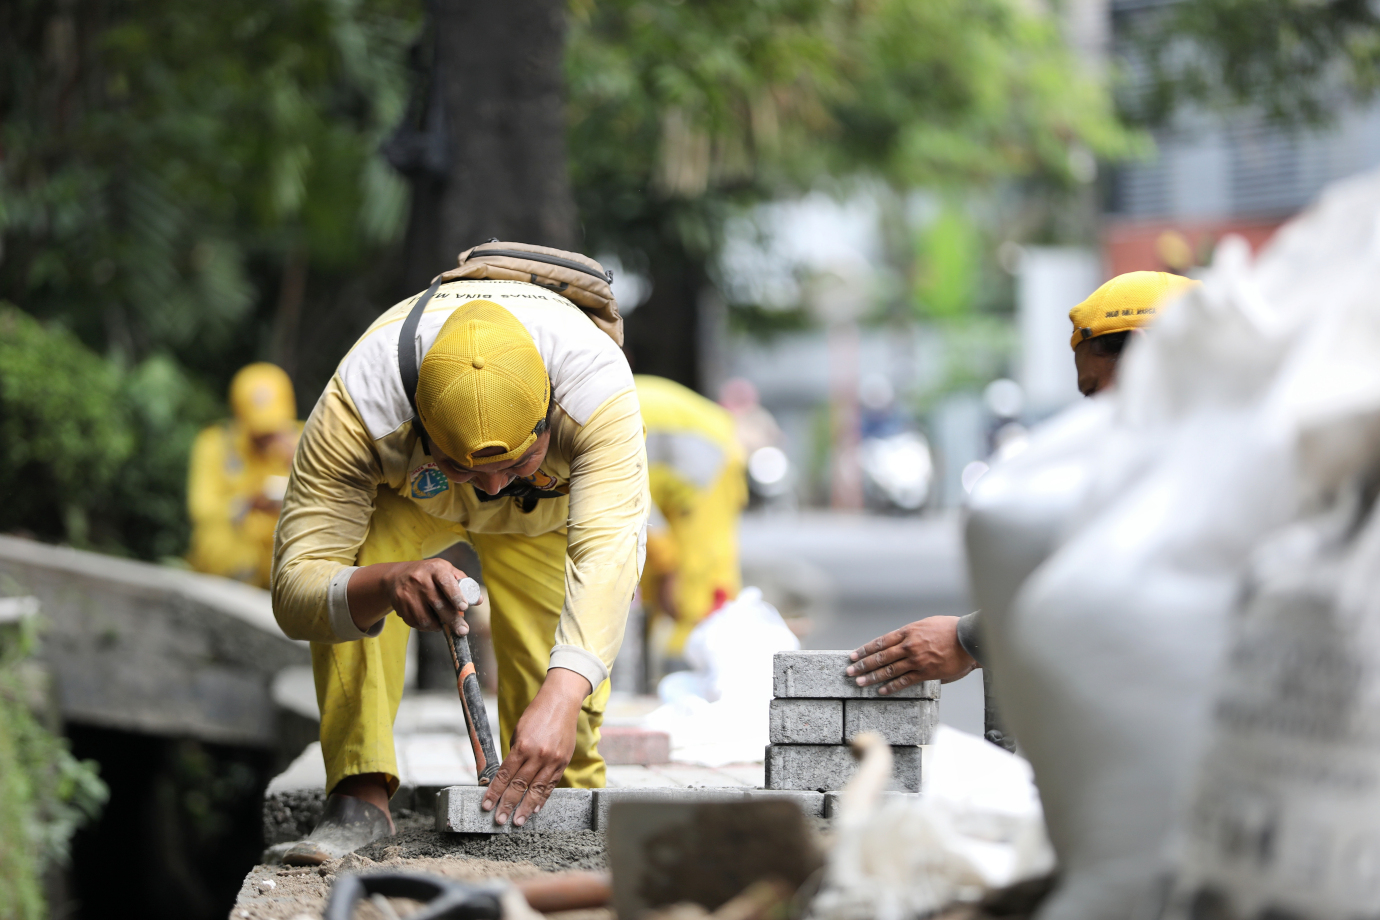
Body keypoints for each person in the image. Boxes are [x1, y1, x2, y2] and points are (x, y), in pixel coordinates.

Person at [269, 247, 648, 863]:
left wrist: (561, 693)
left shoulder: (598, 389)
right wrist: (386, 583)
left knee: (560, 730)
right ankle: (359, 798)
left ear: (551, 413)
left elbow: (609, 553)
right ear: (418, 420)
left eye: (516, 465)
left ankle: (570, 818)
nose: (492, 488)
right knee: (356, 559)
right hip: (409, 505)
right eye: (464, 467)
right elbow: (295, 592)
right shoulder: (358, 405)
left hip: (546, 522)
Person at [845, 271, 1199, 695]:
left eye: (1093, 390)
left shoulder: (1220, 456)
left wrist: (966, 639)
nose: (1091, 416)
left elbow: (1122, 590)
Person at [636, 374, 748, 663]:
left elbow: (633, 504)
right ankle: (653, 663)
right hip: (688, 450)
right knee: (653, 572)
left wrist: (667, 564)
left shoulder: (581, 429)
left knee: (697, 575)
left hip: (710, 459)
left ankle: (698, 660)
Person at [186, 363, 301, 588]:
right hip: (233, 564)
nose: (266, 436)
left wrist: (299, 462)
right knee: (217, 537)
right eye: (259, 428)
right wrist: (247, 503)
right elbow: (202, 509)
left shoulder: (309, 440)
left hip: (285, 561)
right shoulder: (216, 444)